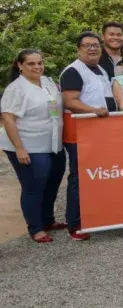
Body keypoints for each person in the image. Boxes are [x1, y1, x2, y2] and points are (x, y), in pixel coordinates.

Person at [1, 50, 66, 243]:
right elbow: (8, 119)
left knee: (52, 183)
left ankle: (48, 220)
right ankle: (35, 228)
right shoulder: (16, 89)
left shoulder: (47, 82)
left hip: (53, 143)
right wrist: (20, 148)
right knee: (34, 186)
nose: (37, 67)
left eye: (39, 63)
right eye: (31, 64)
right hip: (28, 145)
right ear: (20, 66)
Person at [60, 31, 117, 241]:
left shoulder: (100, 69)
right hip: (79, 134)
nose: (92, 49)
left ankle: (94, 216)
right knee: (78, 178)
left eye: (96, 45)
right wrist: (93, 110)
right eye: (87, 45)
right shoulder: (73, 71)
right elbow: (70, 101)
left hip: (99, 133)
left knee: (97, 176)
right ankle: (74, 224)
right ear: (79, 49)